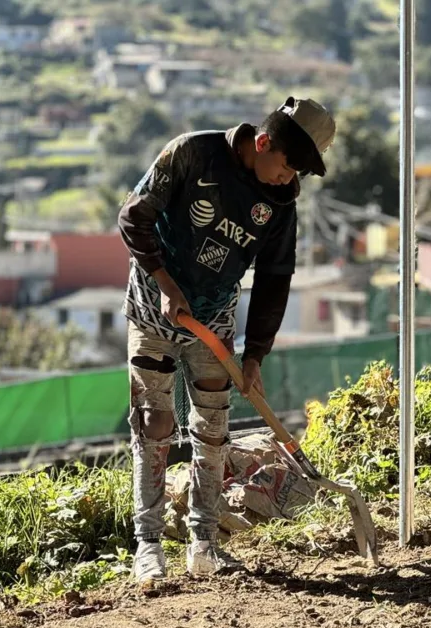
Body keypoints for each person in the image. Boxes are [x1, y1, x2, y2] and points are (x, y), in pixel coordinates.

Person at [118, 97, 335, 582]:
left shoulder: (281, 204)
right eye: (286, 165)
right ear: (262, 143)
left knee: (213, 429)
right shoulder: (192, 154)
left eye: (300, 172)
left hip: (212, 322)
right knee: (153, 422)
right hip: (154, 309)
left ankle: (204, 543)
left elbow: (276, 279)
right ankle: (148, 546)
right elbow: (133, 217)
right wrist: (167, 285)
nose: (290, 179)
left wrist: (256, 353)